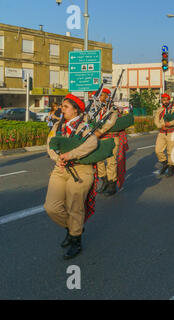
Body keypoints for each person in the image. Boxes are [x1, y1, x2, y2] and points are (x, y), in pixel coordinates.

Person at [44, 94, 98, 260]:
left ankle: (76, 240)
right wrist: (57, 158)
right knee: (51, 207)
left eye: (66, 106)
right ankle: (73, 229)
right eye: (62, 106)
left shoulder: (84, 126)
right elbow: (50, 144)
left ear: (76, 110)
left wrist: (70, 154)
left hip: (81, 170)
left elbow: (92, 143)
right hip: (60, 169)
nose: (62, 109)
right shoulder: (57, 126)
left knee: (75, 207)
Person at [94, 88, 121, 196]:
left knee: (111, 162)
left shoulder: (113, 110)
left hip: (111, 138)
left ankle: (111, 184)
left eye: (103, 96)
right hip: (99, 139)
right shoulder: (98, 109)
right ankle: (104, 181)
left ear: (108, 97)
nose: (101, 98)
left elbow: (110, 122)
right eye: (100, 96)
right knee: (99, 161)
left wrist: (100, 131)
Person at [154, 93, 174, 177]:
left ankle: (171, 167)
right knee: (158, 150)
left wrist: (170, 123)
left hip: (171, 132)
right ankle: (165, 163)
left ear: (169, 100)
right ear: (162, 100)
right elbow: (156, 120)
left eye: (167, 99)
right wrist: (160, 126)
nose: (165, 101)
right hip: (162, 132)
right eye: (163, 99)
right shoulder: (159, 109)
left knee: (170, 151)